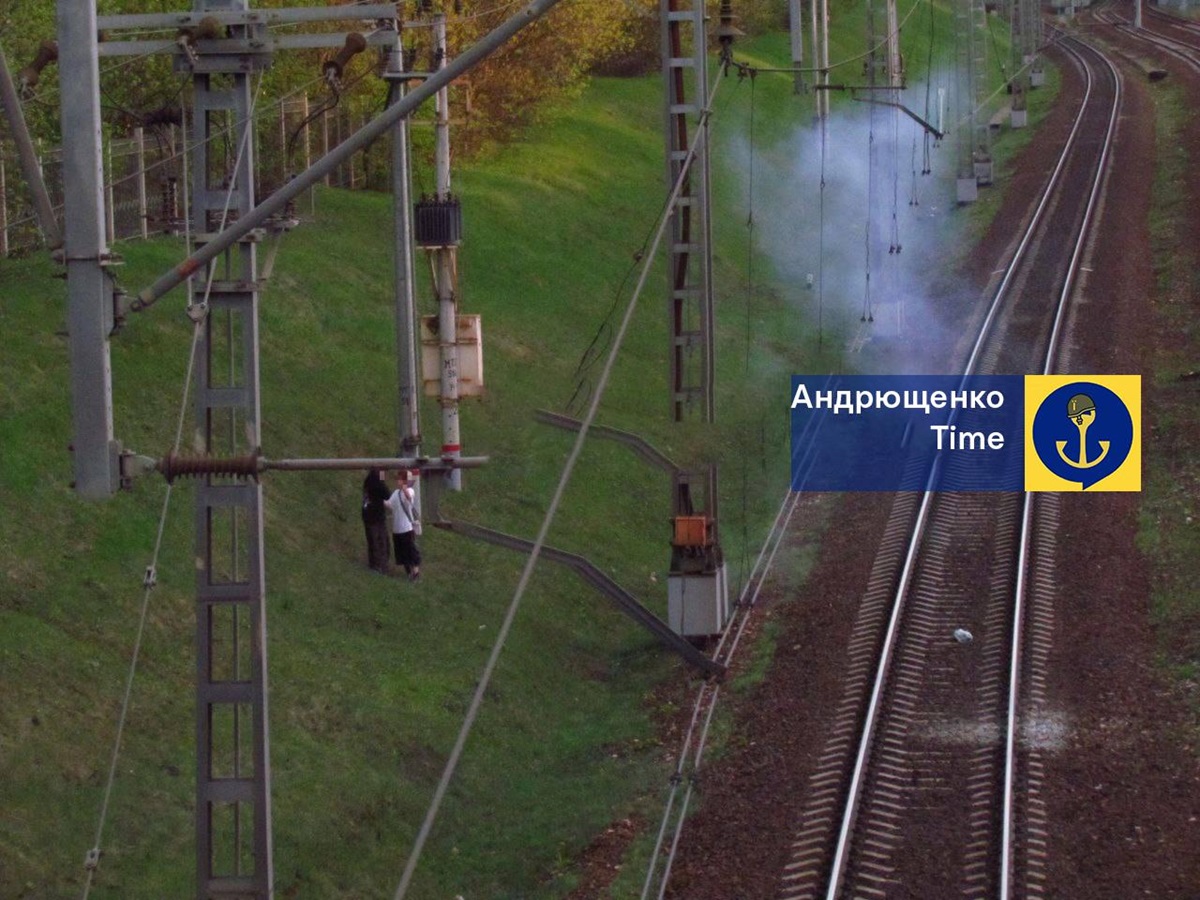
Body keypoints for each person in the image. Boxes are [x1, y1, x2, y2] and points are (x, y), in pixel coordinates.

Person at [386, 471, 422, 581]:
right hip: (397, 529)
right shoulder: (396, 493)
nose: (398, 481)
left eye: (400, 479)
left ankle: (415, 573)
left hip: (407, 528)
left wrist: (404, 487)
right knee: (402, 553)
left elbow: (408, 497)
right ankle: (409, 573)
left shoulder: (410, 490)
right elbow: (389, 504)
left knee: (411, 551)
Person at [362, 469, 391, 574]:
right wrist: (382, 478)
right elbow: (386, 494)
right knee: (379, 541)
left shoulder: (369, 479)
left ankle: (377, 565)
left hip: (370, 514)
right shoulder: (376, 480)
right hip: (374, 516)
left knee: (375, 540)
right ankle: (379, 566)